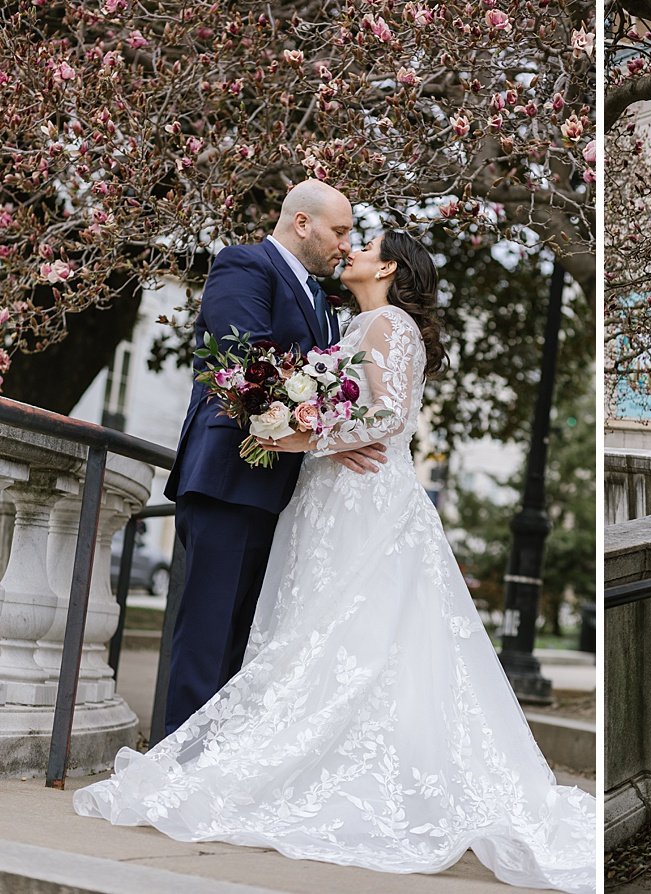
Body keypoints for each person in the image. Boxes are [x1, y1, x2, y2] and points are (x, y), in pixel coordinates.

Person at [76, 231, 596, 893]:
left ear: (389, 266)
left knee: (347, 630)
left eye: (365, 243)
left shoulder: (383, 322)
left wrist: (292, 433)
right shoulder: (360, 320)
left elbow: (388, 414)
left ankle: (313, 770)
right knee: (339, 632)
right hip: (336, 495)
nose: (350, 249)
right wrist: (320, 432)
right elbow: (363, 410)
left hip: (361, 500)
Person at [162, 180, 386, 735]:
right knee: (208, 635)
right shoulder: (244, 266)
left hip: (280, 492)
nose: (345, 243)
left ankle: (210, 767)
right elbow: (247, 359)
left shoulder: (322, 300)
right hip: (229, 479)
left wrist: (334, 434)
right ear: (302, 223)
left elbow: (319, 378)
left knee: (241, 641)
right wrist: (331, 431)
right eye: (339, 231)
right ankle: (173, 772)